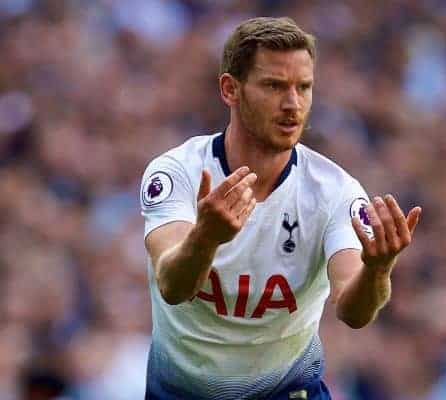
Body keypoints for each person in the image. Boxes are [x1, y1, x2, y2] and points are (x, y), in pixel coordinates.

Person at [140, 16, 421, 400]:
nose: (293, 104)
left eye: (303, 87)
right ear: (230, 89)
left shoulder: (335, 192)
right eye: (274, 86)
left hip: (287, 392)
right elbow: (172, 286)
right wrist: (207, 237)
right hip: (181, 392)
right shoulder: (177, 172)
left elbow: (354, 313)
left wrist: (378, 269)